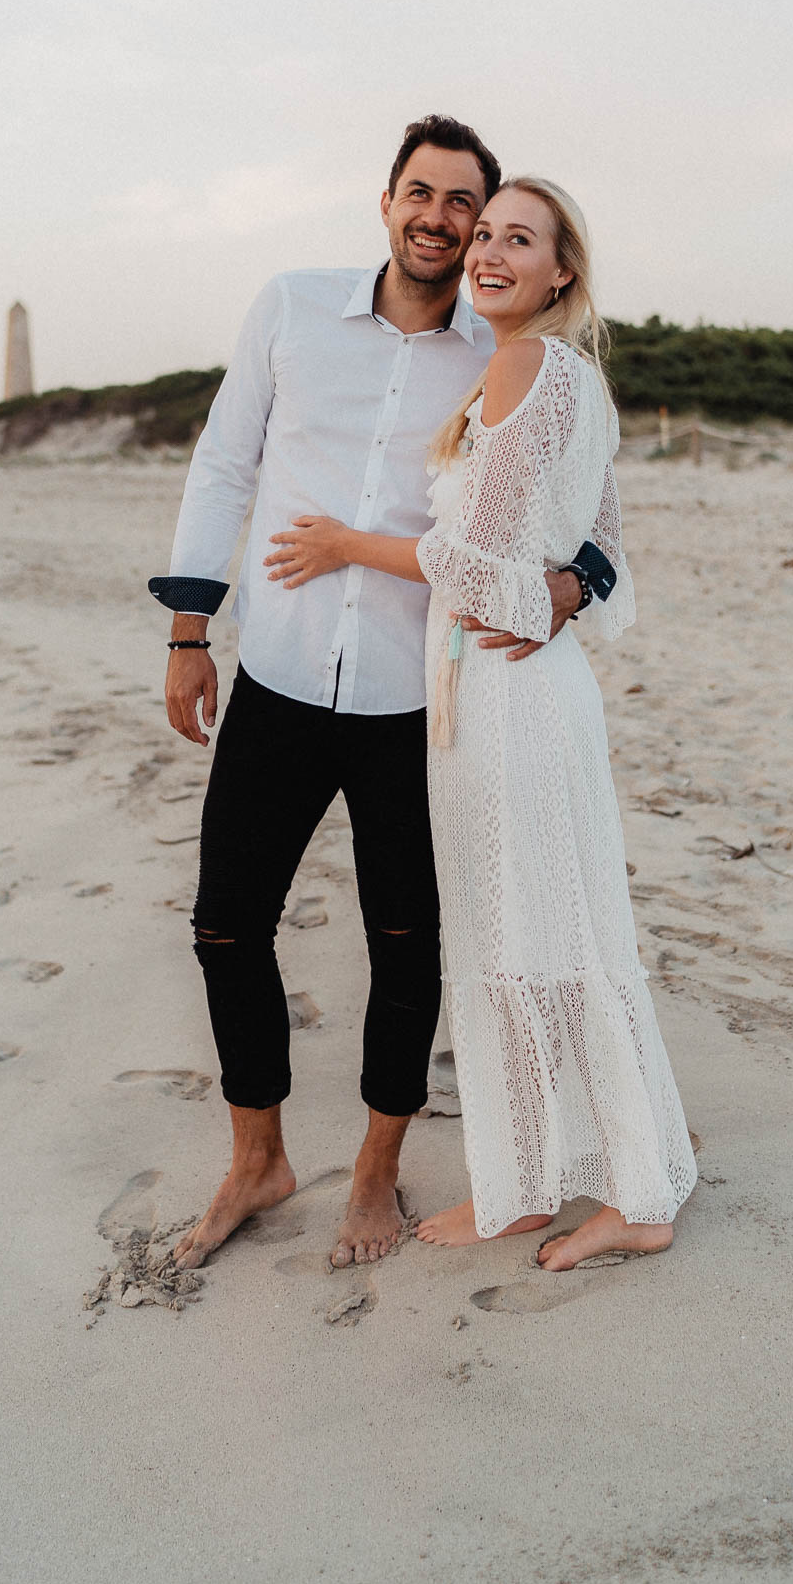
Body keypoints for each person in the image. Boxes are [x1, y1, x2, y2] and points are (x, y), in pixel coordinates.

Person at [150, 118, 612, 1271]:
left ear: (486, 225)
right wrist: (188, 630)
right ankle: (257, 1157)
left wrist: (571, 587)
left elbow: (595, 507)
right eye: (424, 194)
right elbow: (224, 462)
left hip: (424, 697)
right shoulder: (293, 306)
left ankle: (374, 1170)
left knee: (406, 943)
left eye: (467, 205)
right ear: (387, 201)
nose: (442, 220)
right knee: (224, 922)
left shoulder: (504, 346)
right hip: (286, 670)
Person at [266, 177, 697, 1268]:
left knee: (542, 940)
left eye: (521, 240)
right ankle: (533, 1186)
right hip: (510, 692)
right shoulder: (572, 378)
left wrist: (348, 545)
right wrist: (570, 587)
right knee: (527, 937)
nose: (491, 253)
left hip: (509, 700)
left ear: (563, 271)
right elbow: (597, 541)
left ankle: (631, 1198)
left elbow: (478, 562)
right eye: (485, 235)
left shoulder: (524, 365)